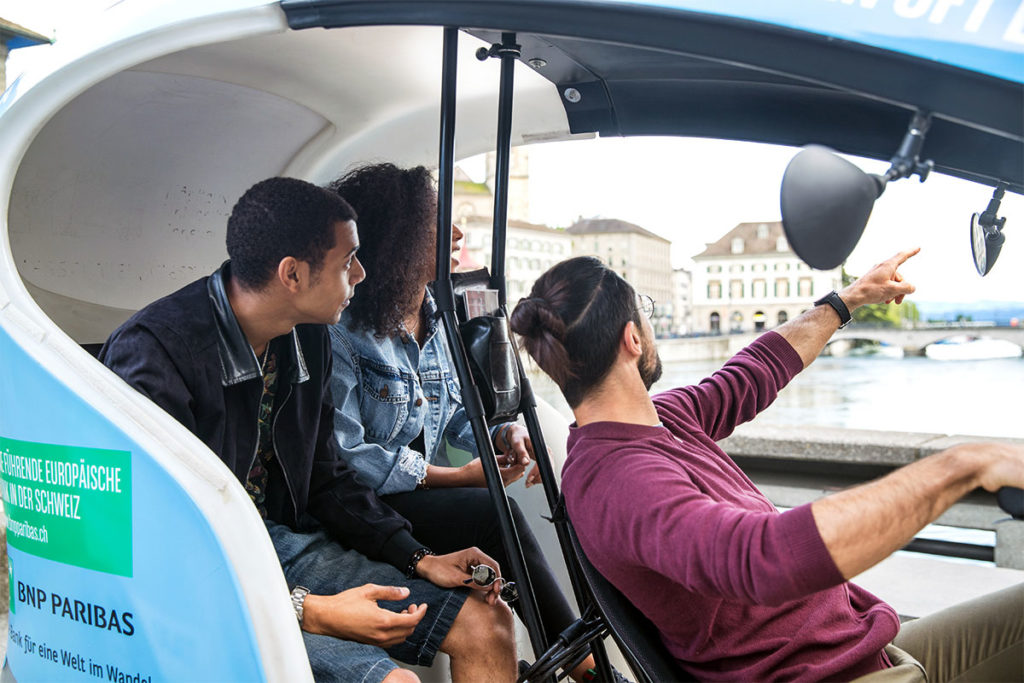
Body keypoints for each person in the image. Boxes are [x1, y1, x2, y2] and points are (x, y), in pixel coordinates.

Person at [509, 251, 1024, 682]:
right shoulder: (617, 481)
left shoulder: (663, 419)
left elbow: (753, 371)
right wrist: (963, 465)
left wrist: (848, 300)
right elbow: (761, 557)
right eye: (644, 310)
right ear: (633, 339)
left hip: (861, 648)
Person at [100, 177, 517, 683]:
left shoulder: (307, 337)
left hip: (283, 544)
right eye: (347, 262)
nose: (361, 275)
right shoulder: (155, 354)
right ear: (292, 275)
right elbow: (160, 544)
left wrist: (419, 558)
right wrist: (310, 611)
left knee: (487, 622)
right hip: (197, 576)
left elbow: (327, 478)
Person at [326, 163, 605, 682]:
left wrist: (504, 433)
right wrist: (453, 477)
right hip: (361, 506)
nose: (458, 234)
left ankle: (577, 661)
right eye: (440, 223)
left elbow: (453, 411)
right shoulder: (342, 328)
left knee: (494, 514)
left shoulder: (439, 315)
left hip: (415, 501)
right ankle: (586, 667)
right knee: (490, 513)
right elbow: (346, 458)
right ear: (399, 239)